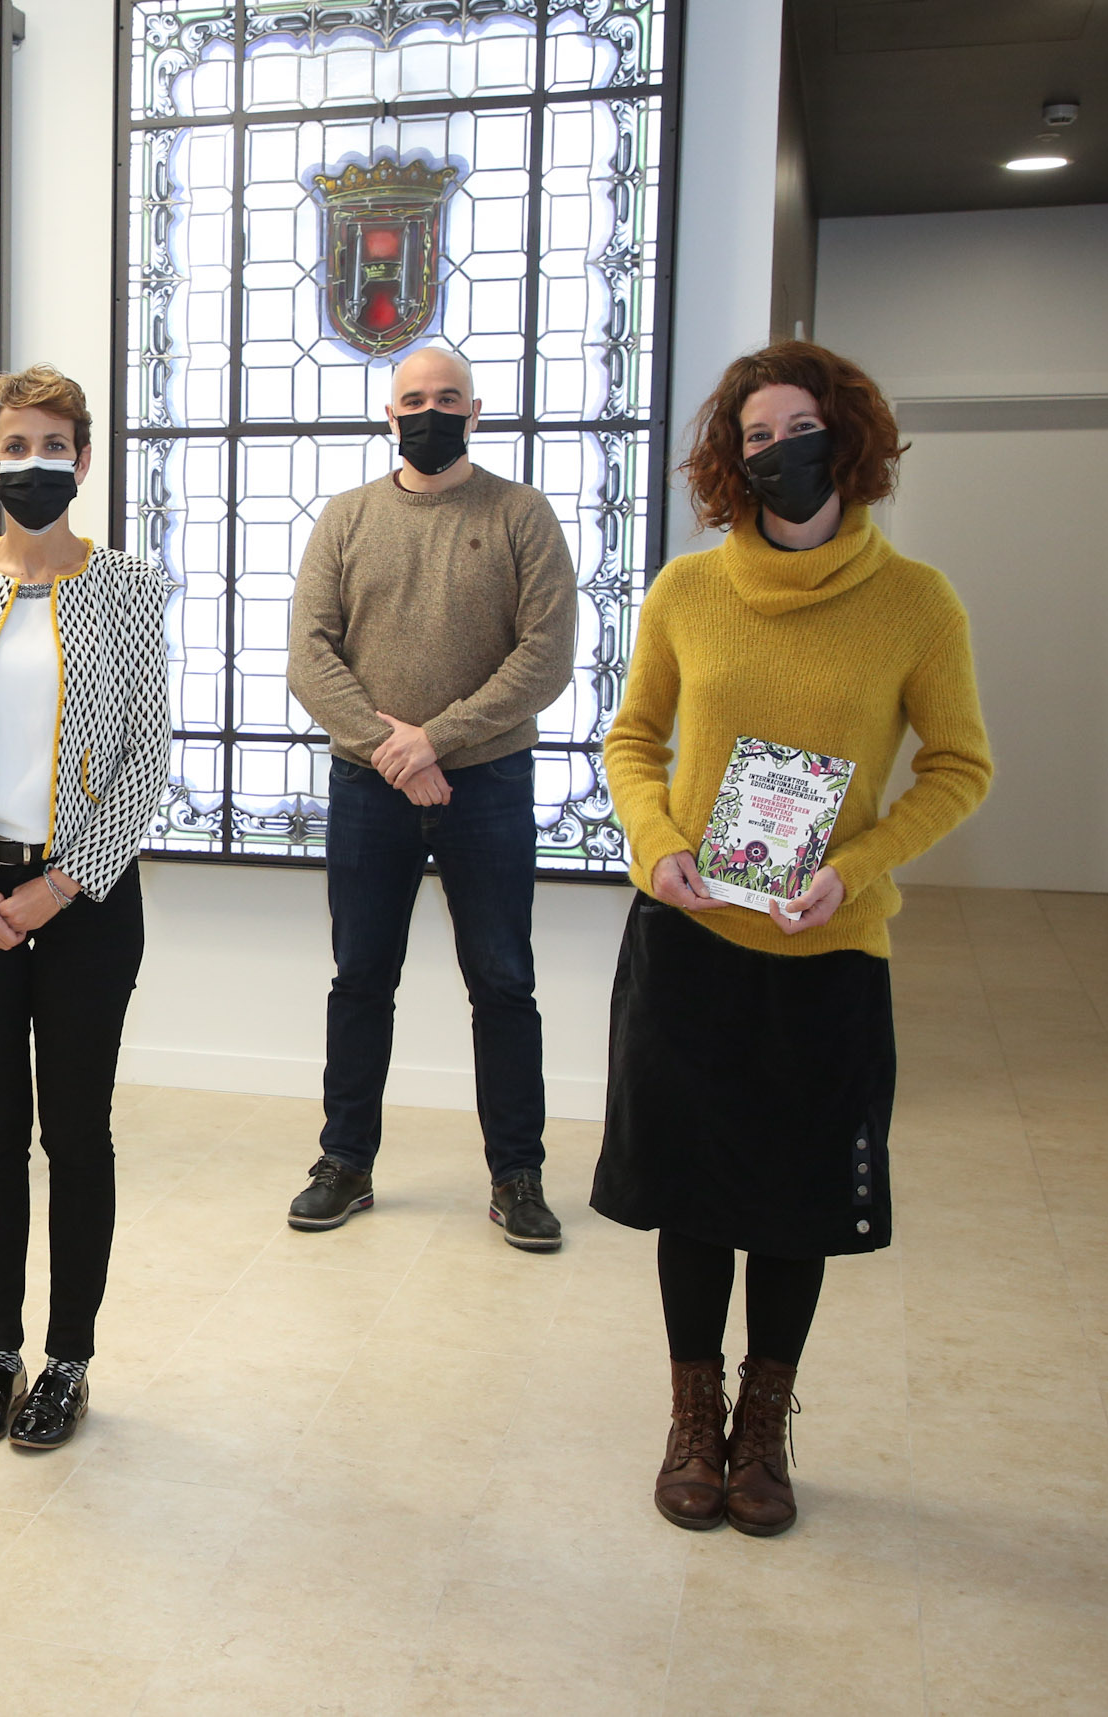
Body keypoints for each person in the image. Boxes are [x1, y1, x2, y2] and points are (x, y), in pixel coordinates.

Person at [597, 341, 990, 1536]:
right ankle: (692, 1416)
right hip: (690, 938)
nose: (778, 454)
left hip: (826, 953)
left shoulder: (916, 603)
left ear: (847, 440)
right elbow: (632, 741)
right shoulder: (685, 592)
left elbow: (958, 767)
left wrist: (852, 867)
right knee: (690, 1192)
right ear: (732, 461)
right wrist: (654, 842)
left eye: (798, 430)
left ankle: (761, 1426)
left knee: (793, 1196)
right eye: (755, 437)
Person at [0, 364, 170, 1452]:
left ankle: (68, 1361)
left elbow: (146, 757)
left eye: (55, 445)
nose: (34, 463)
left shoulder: (129, 588)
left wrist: (56, 888)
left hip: (84, 900)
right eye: (15, 445)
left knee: (77, 1132)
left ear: (84, 460)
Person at [284, 344, 576, 1252]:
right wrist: (395, 753)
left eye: (448, 398)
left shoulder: (521, 514)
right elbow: (308, 656)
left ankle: (517, 1176)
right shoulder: (346, 518)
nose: (430, 412)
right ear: (389, 413)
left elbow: (545, 657)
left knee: (504, 982)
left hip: (489, 784)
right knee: (360, 978)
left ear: (476, 411)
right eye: (413, 399)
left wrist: (432, 741)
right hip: (367, 786)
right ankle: (344, 1162)